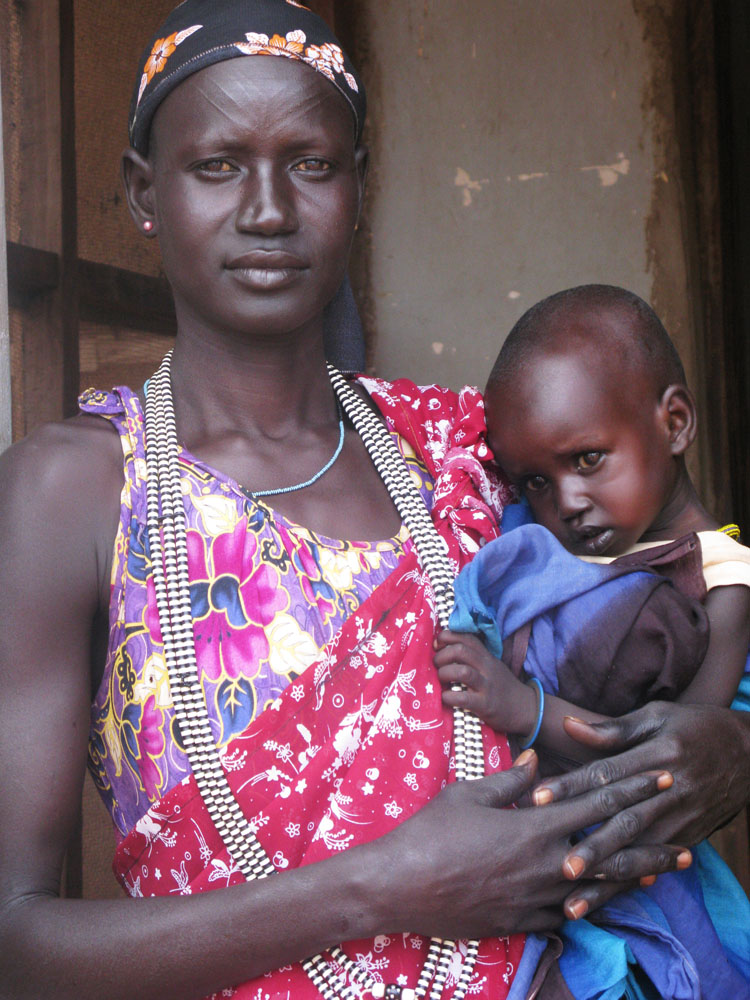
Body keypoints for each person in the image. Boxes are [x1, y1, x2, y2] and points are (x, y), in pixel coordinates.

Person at [0, 6, 741, 1000]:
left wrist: (729, 743)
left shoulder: (469, 450)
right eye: (217, 166)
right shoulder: (75, 491)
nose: (267, 209)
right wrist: (380, 887)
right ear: (144, 192)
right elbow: (15, 940)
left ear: (358, 186)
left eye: (311, 164)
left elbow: (691, 588)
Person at [433, 285, 750, 996]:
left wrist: (526, 709)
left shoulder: (724, 581)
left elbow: (667, 756)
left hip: (623, 862)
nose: (565, 504)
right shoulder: (553, 545)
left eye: (587, 460)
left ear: (673, 423)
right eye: (535, 482)